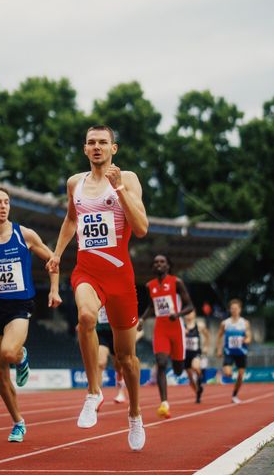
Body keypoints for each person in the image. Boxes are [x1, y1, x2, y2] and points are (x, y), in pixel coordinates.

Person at [47, 125, 148, 451]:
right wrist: (58, 253)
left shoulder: (128, 178)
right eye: (91, 142)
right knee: (86, 318)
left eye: (103, 142)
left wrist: (119, 190)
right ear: (85, 148)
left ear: (113, 148)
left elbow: (142, 228)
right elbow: (71, 220)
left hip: (120, 276)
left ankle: (134, 413)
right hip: (87, 271)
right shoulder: (74, 183)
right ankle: (93, 392)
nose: (97, 147)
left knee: (127, 358)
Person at [0, 185, 61, 443]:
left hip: (19, 305)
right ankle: (18, 422)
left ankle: (22, 355)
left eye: (6, 202)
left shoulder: (23, 234)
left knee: (8, 352)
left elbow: (52, 261)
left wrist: (54, 290)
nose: (4, 206)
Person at [138, 254, 194, 419]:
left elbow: (190, 306)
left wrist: (178, 314)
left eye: (162, 262)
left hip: (176, 328)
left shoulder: (176, 282)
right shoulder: (150, 285)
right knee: (161, 363)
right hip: (160, 329)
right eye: (155, 262)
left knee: (178, 370)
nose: (158, 264)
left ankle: (179, 368)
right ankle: (164, 403)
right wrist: (142, 318)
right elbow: (151, 306)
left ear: (168, 266)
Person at [216, 298, 251, 403]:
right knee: (228, 373)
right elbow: (219, 336)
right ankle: (223, 373)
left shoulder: (244, 323)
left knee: (240, 376)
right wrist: (219, 349)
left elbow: (249, 336)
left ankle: (234, 395)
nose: (234, 310)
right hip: (229, 352)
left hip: (241, 352)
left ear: (240, 309)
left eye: (236, 308)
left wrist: (246, 340)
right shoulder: (225, 323)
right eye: (232, 308)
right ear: (230, 310)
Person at [184, 310, 210, 403]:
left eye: (190, 313)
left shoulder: (199, 325)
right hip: (185, 354)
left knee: (195, 367)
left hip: (196, 352)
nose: (188, 315)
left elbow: (207, 335)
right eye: (186, 313)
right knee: (190, 379)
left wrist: (206, 346)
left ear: (194, 314)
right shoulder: (182, 326)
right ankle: (198, 393)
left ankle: (200, 376)